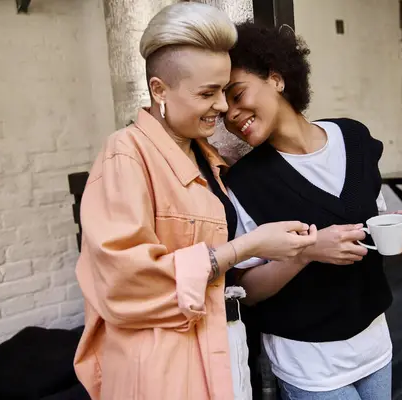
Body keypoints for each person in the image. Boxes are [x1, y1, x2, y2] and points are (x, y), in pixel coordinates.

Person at [73, 6, 316, 400]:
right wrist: (245, 248)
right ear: (159, 89)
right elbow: (122, 282)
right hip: (164, 370)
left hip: (223, 349)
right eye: (207, 93)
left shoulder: (207, 155)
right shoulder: (125, 154)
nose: (222, 106)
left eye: (223, 90)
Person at [222, 23, 402, 400]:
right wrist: (306, 253)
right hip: (308, 363)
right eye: (222, 107)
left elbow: (374, 215)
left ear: (276, 78)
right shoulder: (245, 183)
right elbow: (245, 291)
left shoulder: (355, 139)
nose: (232, 114)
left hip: (374, 343)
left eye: (237, 94)